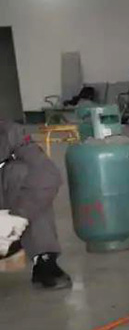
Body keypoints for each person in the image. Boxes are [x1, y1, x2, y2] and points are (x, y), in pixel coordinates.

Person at [0, 120, 72, 289]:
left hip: (7, 232)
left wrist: (18, 217)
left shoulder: (10, 133)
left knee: (24, 174)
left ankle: (44, 259)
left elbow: (48, 173)